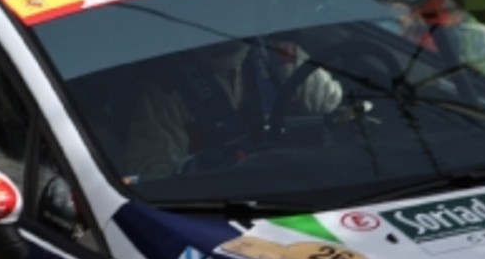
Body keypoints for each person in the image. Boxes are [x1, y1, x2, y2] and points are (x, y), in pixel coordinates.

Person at [124, 37, 344, 181]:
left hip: (306, 183)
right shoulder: (166, 90)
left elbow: (343, 118)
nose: (232, 12)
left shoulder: (280, 57)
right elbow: (157, 180)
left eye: (240, 4)